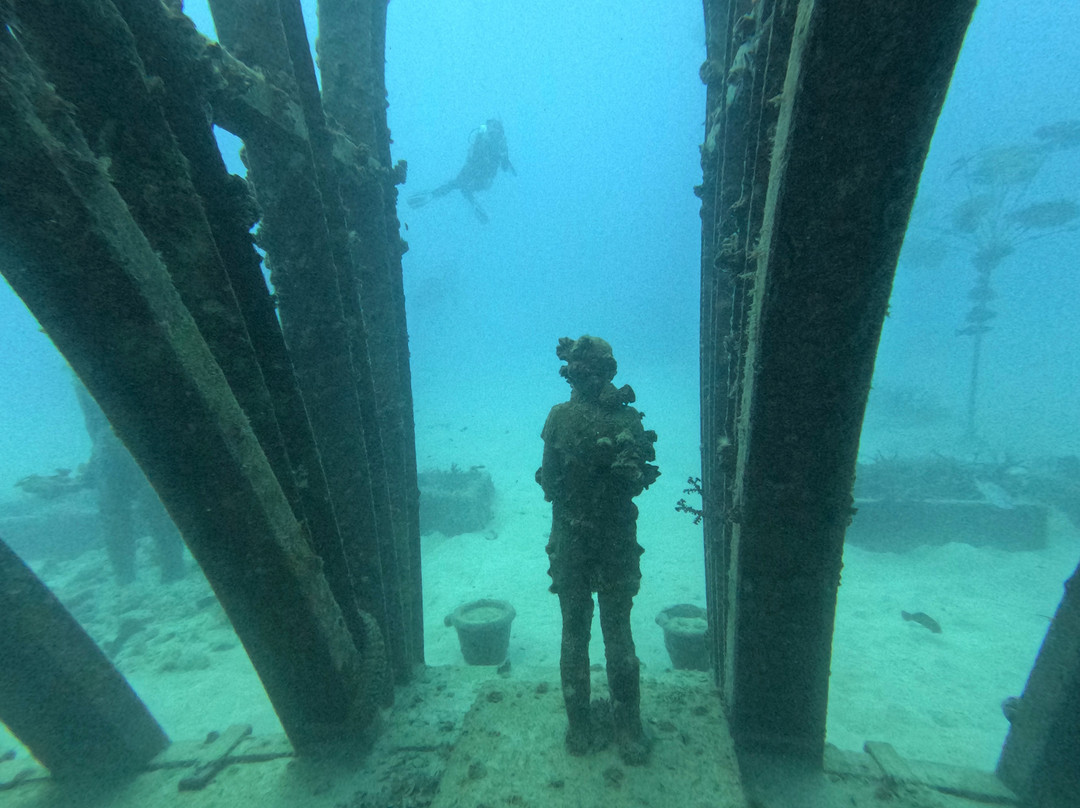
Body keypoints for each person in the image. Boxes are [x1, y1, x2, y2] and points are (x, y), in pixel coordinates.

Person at [536, 336, 660, 765]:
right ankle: (629, 732)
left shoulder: (558, 418)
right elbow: (640, 480)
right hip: (616, 542)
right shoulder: (628, 421)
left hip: (570, 542)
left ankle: (580, 730)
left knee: (574, 632)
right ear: (609, 373)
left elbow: (550, 484)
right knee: (618, 632)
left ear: (572, 374)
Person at [407, 119, 516, 223]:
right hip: (483, 173)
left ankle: (432, 195)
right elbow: (504, 167)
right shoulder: (497, 142)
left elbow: (474, 153)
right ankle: (438, 195)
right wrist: (502, 155)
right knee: (462, 187)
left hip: (474, 169)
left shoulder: (485, 136)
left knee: (455, 185)